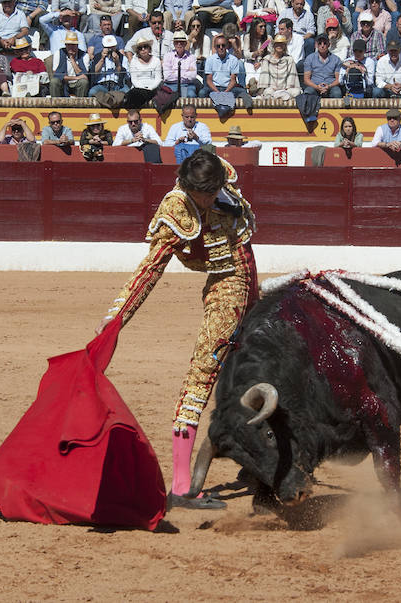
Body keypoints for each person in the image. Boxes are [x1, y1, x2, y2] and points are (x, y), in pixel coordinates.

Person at [96, 149, 258, 510]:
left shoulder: (223, 184)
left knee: (255, 371)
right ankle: (183, 485)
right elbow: (151, 268)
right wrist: (118, 315)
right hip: (227, 289)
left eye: (210, 192)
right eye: (199, 193)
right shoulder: (177, 210)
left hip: (248, 287)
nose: (204, 199)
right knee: (202, 373)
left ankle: (257, 463)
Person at [199, 35, 253, 108]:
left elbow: (233, 80)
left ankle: (249, 110)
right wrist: (217, 92)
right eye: (218, 46)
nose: (221, 48)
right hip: (214, 88)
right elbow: (209, 80)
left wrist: (226, 92)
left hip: (228, 88)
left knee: (243, 92)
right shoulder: (210, 60)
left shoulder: (233, 60)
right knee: (202, 93)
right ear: (215, 47)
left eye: (223, 45)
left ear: (227, 46)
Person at [256, 34, 302, 99]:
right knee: (268, 92)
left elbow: (291, 77)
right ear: (274, 45)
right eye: (277, 44)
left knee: (296, 92)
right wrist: (271, 88)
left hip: (286, 90)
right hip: (271, 89)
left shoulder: (289, 59)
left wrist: (287, 88)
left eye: (281, 44)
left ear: (285, 46)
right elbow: (265, 78)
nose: (279, 46)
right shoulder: (267, 59)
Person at [124, 35, 163, 108]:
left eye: (145, 47)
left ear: (149, 48)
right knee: (133, 94)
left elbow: (158, 78)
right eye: (140, 48)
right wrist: (143, 88)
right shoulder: (133, 61)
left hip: (152, 88)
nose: (143, 49)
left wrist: (150, 88)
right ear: (137, 51)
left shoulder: (156, 60)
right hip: (137, 88)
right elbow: (134, 79)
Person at [50, 30, 90, 97]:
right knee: (54, 81)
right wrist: (76, 78)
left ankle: (81, 106)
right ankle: (56, 106)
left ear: (77, 45)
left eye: (73, 45)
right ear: (65, 45)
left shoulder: (84, 55)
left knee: (83, 82)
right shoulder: (59, 53)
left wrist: (72, 60)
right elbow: (56, 74)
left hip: (77, 84)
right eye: (69, 45)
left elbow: (84, 76)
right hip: (64, 83)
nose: (71, 48)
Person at [163, 30, 199, 97]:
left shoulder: (192, 57)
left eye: (181, 42)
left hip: (186, 85)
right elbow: (167, 76)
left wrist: (174, 73)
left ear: (185, 43)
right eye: (176, 42)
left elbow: (193, 76)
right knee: (167, 98)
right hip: (170, 85)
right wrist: (185, 73)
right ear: (173, 43)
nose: (179, 44)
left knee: (190, 95)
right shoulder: (167, 56)